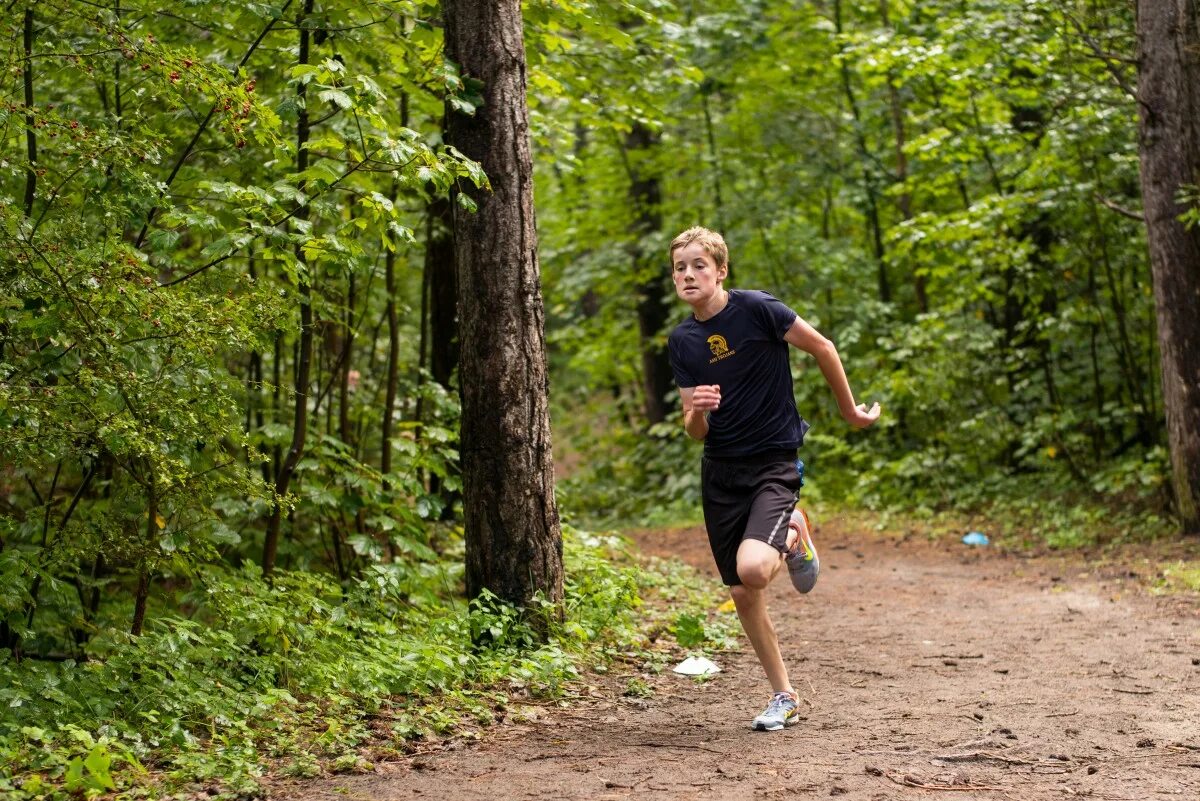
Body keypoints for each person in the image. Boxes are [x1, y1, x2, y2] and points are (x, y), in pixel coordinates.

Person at [666, 226, 880, 731]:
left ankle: (793, 528)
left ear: (721, 271)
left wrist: (849, 412)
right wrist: (698, 411)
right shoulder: (682, 341)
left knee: (756, 571)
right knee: (743, 592)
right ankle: (783, 695)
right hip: (720, 473)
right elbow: (694, 430)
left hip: (772, 464)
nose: (689, 274)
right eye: (680, 267)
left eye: (699, 265)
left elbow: (823, 347)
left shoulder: (758, 309)